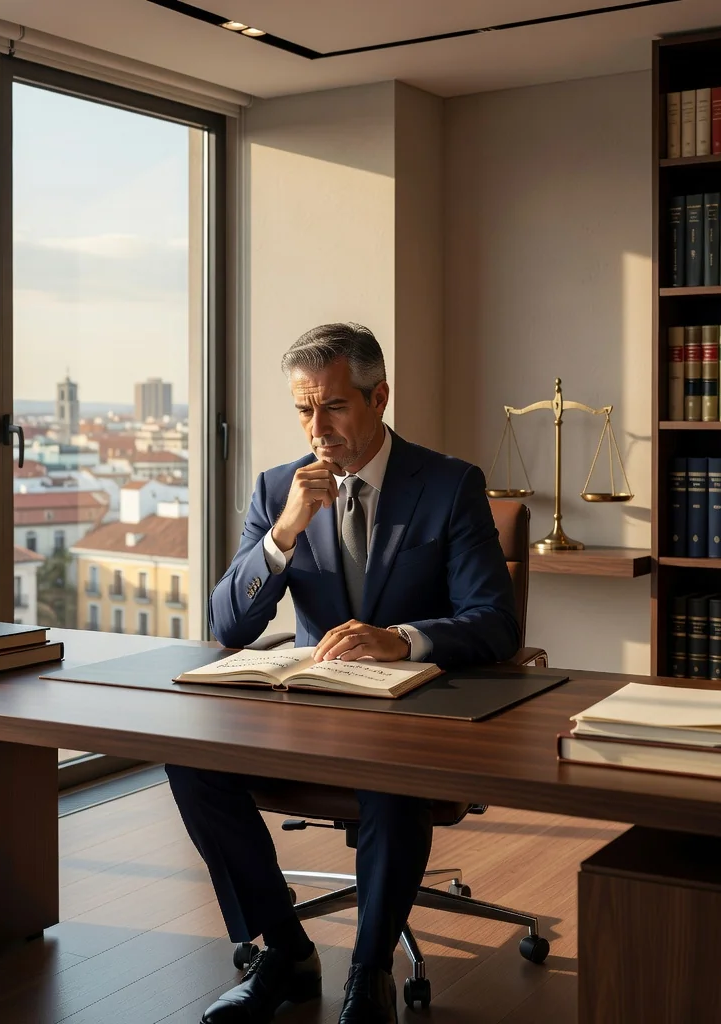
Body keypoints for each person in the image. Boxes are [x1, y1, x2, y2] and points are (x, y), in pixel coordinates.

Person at [166, 323, 520, 1024]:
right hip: (312, 710)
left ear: (379, 396)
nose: (316, 428)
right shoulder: (278, 489)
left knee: (391, 782)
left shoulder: (449, 486)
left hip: (415, 713)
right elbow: (229, 626)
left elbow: (497, 622)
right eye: (302, 409)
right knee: (189, 762)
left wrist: (401, 639)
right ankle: (288, 951)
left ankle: (369, 973)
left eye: (332, 406)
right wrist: (283, 533)